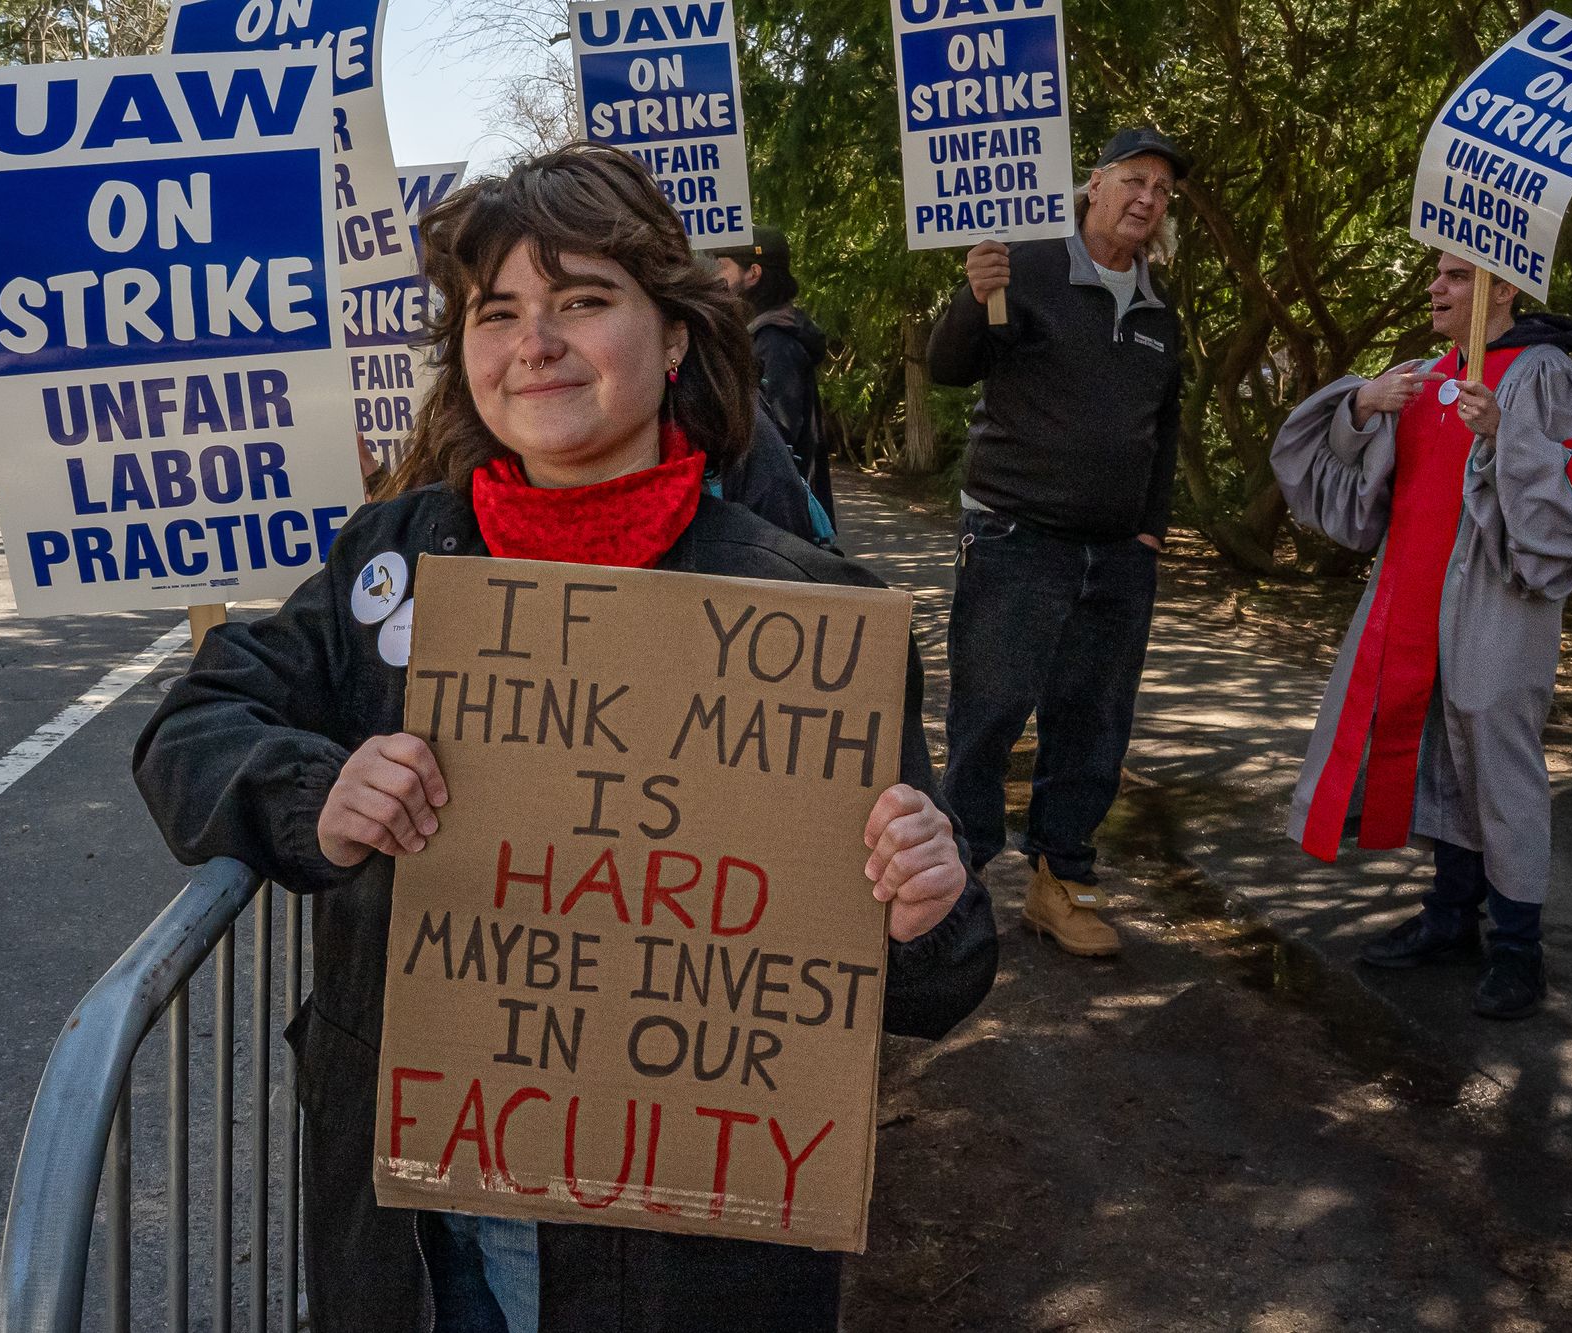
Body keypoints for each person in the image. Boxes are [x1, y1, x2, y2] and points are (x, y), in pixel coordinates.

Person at [132, 143, 997, 1333]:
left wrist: (925, 900)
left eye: (582, 300)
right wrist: (311, 794)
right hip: (430, 1232)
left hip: (691, 1253)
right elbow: (191, 724)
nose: (533, 342)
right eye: (497, 313)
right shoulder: (389, 564)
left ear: (676, 332)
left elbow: (928, 977)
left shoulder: (814, 618)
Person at [1270, 252, 1572, 1020]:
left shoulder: (1541, 373)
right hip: (1408, 598)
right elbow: (1342, 487)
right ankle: (1449, 914)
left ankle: (1519, 947)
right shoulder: (1421, 374)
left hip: (1497, 599)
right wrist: (1362, 403)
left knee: (1498, 762)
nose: (1435, 287)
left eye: (1456, 276)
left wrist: (1507, 433)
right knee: (1441, 755)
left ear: (1503, 287)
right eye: (1436, 274)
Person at [926, 126, 1191, 958]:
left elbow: (1164, 427)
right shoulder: (1025, 262)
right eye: (1134, 180)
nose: (1147, 198)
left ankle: (1059, 885)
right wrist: (975, 294)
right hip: (1015, 537)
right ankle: (953, 890)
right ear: (1095, 185)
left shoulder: (1158, 312)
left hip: (1117, 556)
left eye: (1162, 190)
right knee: (990, 715)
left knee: (1092, 724)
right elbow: (950, 365)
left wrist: (1149, 527)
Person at [711, 227, 837, 531]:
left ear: (753, 273)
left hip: (780, 522)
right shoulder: (763, 335)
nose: (716, 280)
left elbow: (775, 439)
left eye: (723, 268)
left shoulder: (775, 342)